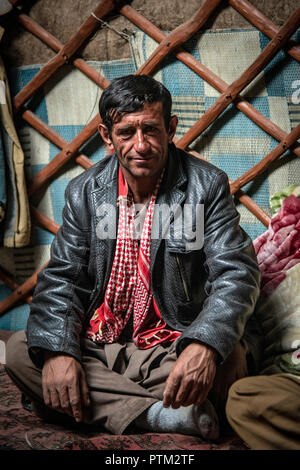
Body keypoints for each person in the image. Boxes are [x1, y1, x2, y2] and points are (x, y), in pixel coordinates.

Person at [5, 75, 260, 438]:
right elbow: (63, 278)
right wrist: (59, 355)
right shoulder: (85, 193)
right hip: (102, 343)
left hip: (171, 344)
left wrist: (207, 344)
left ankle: (82, 403)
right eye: (126, 132)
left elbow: (237, 273)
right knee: (23, 349)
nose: (140, 145)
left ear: (171, 128)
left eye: (151, 130)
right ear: (106, 136)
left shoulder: (206, 186)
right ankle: (160, 415)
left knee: (226, 371)